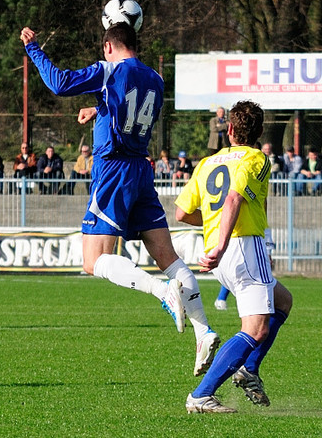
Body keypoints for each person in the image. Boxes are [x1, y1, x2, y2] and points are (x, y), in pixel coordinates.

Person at [21, 23, 220, 377]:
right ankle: (204, 331)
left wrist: (34, 49)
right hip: (141, 170)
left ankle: (163, 293)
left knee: (92, 260)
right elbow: (131, 111)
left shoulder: (108, 69)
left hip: (113, 169)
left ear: (110, 45)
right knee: (169, 258)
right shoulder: (157, 79)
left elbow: (59, 83)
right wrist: (98, 111)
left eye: (104, 49)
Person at [175, 100, 293, 414]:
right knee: (255, 329)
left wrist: (215, 236)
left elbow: (182, 212)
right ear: (259, 132)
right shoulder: (258, 158)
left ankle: (249, 369)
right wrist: (223, 244)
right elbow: (234, 199)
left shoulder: (207, 162)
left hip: (222, 250)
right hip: (240, 245)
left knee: (282, 301)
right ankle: (201, 395)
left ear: (229, 129)